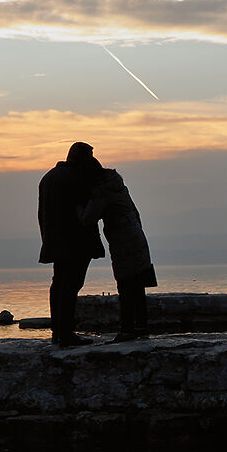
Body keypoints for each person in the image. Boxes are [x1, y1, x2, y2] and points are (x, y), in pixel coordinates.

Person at [73, 143, 156, 342]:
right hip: (136, 236)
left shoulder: (103, 191)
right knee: (137, 284)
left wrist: (77, 206)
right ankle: (141, 327)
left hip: (123, 241)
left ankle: (127, 329)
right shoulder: (117, 184)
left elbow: (88, 218)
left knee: (126, 284)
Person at [37, 149, 104, 346]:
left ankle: (58, 332)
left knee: (58, 284)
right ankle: (66, 334)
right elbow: (86, 211)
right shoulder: (75, 178)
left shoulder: (48, 177)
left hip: (54, 241)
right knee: (70, 286)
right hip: (75, 242)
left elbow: (42, 214)